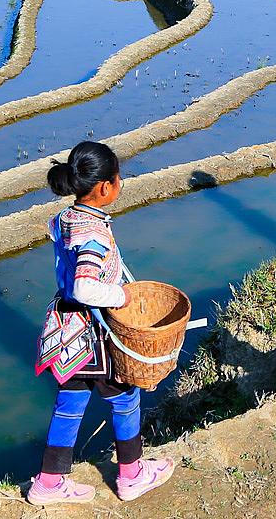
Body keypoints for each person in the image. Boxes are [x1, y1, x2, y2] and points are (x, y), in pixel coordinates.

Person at [29, 141, 174, 505]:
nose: (121, 182)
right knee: (126, 398)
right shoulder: (93, 233)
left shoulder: (66, 218)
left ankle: (49, 482)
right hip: (95, 333)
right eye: (118, 177)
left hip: (66, 329)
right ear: (106, 187)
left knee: (69, 403)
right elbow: (85, 285)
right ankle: (131, 475)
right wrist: (121, 297)